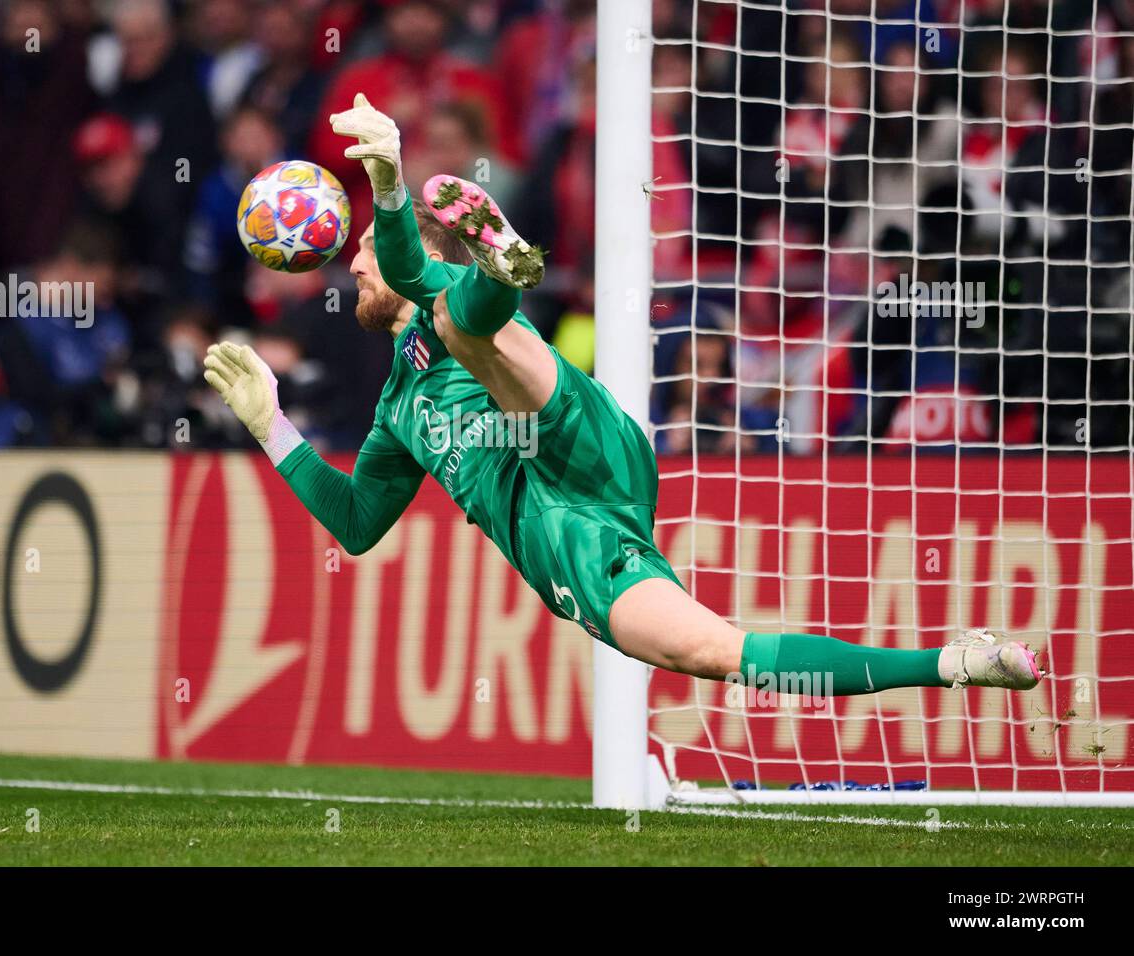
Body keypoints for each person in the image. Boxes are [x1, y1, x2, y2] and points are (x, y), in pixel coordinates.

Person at [204, 94, 1042, 695]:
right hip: (568, 528)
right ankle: (956, 664)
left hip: (569, 433)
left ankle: (503, 272)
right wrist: (272, 427)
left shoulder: (428, 283)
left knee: (460, 326)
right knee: (714, 653)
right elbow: (357, 525)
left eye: (363, 250)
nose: (351, 264)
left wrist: (389, 180)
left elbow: (417, 272)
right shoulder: (396, 412)